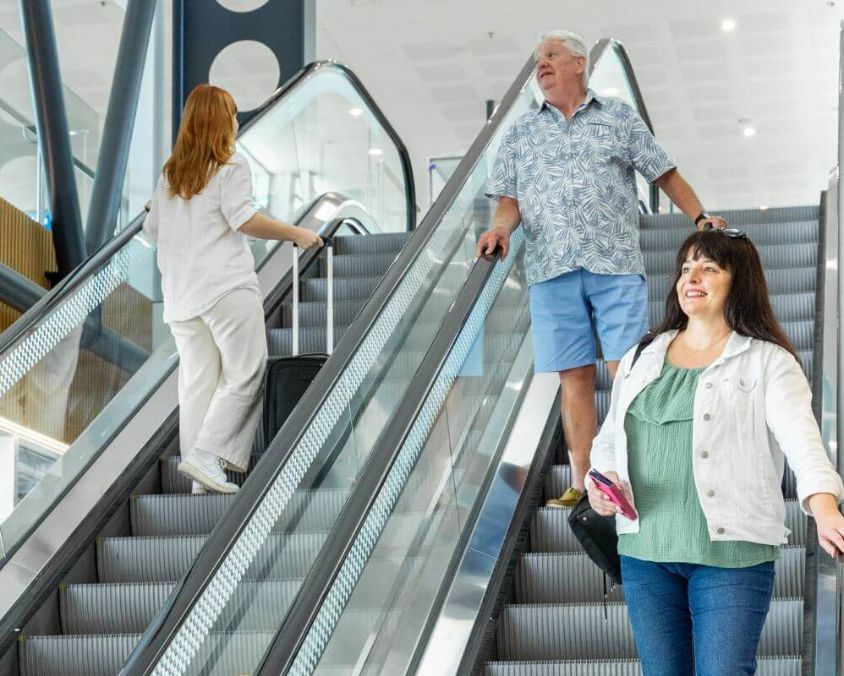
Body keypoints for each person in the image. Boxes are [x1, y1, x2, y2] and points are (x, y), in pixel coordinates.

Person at [477, 30, 727, 508]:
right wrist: (501, 230)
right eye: (537, 61)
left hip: (614, 263)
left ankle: (630, 467)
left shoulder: (617, 117)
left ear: (578, 62)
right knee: (573, 377)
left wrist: (699, 217)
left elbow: (664, 172)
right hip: (551, 268)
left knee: (627, 370)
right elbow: (508, 200)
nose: (541, 66)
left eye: (550, 56)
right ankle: (585, 479)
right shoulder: (521, 133)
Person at [587, 227, 844, 675]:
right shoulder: (641, 355)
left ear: (738, 280)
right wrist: (600, 482)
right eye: (687, 268)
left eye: (708, 267)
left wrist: (824, 507)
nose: (692, 277)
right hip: (646, 549)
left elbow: (802, 441)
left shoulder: (768, 360)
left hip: (733, 554)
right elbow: (610, 438)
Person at [143, 84, 322, 494]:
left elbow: (152, 229)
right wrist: (298, 232)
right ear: (223, 121)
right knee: (246, 370)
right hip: (224, 286)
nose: (238, 121)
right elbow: (243, 218)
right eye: (235, 114)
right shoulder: (230, 164)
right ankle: (208, 457)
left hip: (181, 297)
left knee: (197, 381)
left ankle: (201, 479)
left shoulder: (171, 174)